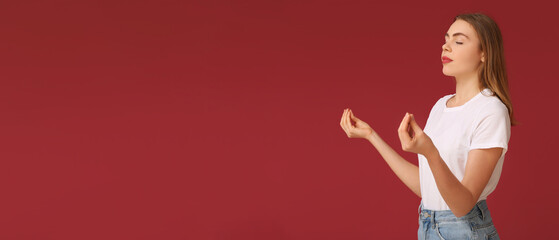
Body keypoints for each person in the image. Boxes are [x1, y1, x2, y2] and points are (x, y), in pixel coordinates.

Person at [339, 13, 517, 240]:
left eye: (458, 41)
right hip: (427, 226)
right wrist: (372, 136)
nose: (446, 46)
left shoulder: (491, 111)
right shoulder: (441, 106)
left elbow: (462, 205)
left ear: (484, 53)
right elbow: (428, 188)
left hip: (464, 230)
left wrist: (430, 152)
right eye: (446, 39)